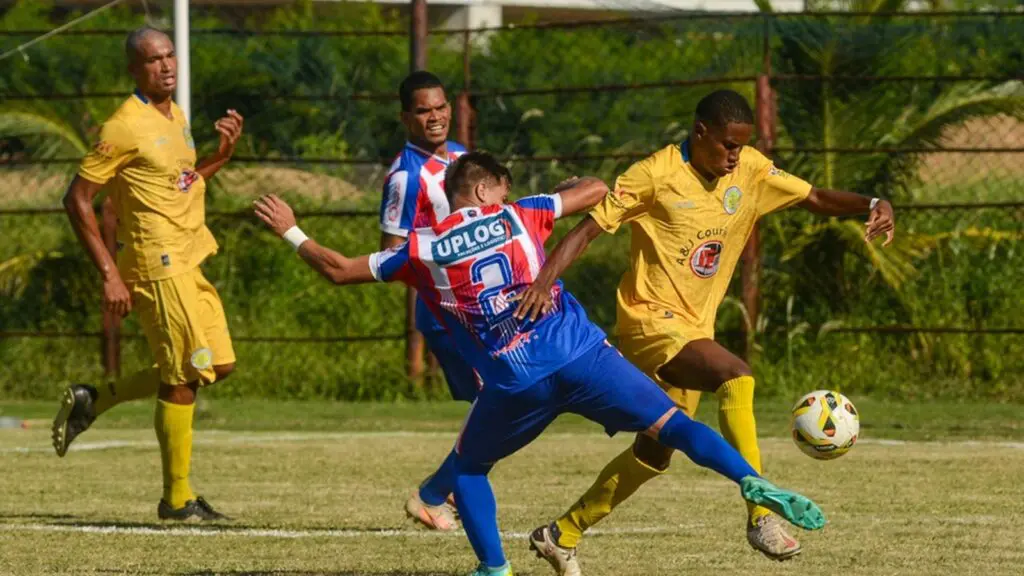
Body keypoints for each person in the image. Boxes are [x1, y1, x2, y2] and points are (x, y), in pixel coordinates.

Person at [254, 151, 826, 576]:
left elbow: (337, 268)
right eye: (502, 186)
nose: (508, 193)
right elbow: (596, 188)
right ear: (485, 190)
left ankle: (495, 569)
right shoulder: (523, 214)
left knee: (470, 469)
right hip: (581, 354)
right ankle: (751, 480)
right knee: (674, 426)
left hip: (514, 379)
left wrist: (291, 230)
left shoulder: (422, 249)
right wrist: (560, 190)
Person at [511, 89, 895, 572]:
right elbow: (587, 229)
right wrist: (544, 281)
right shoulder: (654, 175)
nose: (735, 156)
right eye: (727, 146)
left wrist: (873, 202)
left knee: (654, 453)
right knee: (735, 375)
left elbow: (815, 197)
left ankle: (562, 533)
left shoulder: (751, 170)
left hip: (694, 329)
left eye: (741, 146)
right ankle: (761, 513)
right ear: (700, 133)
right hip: (649, 323)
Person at [52, 26, 244, 521]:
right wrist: (109, 273)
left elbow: (178, 184)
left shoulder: (175, 114)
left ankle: (94, 400)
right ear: (134, 70)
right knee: (184, 374)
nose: (167, 65)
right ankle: (176, 499)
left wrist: (219, 158)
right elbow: (77, 199)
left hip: (190, 254)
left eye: (170, 55)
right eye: (154, 59)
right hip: (156, 263)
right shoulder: (124, 125)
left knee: (217, 365)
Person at [380, 70, 476, 530]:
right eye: (423, 110)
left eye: (440, 107)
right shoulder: (405, 178)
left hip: (481, 307)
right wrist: (441, 277)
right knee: (502, 400)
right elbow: (390, 256)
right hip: (446, 312)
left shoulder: (463, 158)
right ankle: (438, 492)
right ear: (406, 118)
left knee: (503, 401)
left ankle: (444, 491)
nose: (435, 117)